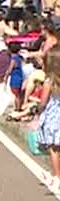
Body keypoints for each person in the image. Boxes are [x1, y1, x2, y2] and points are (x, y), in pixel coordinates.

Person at [34, 49, 60, 191]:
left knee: (54, 148)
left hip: (54, 117)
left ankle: (57, 176)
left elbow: (43, 101)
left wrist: (38, 109)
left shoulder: (49, 81)